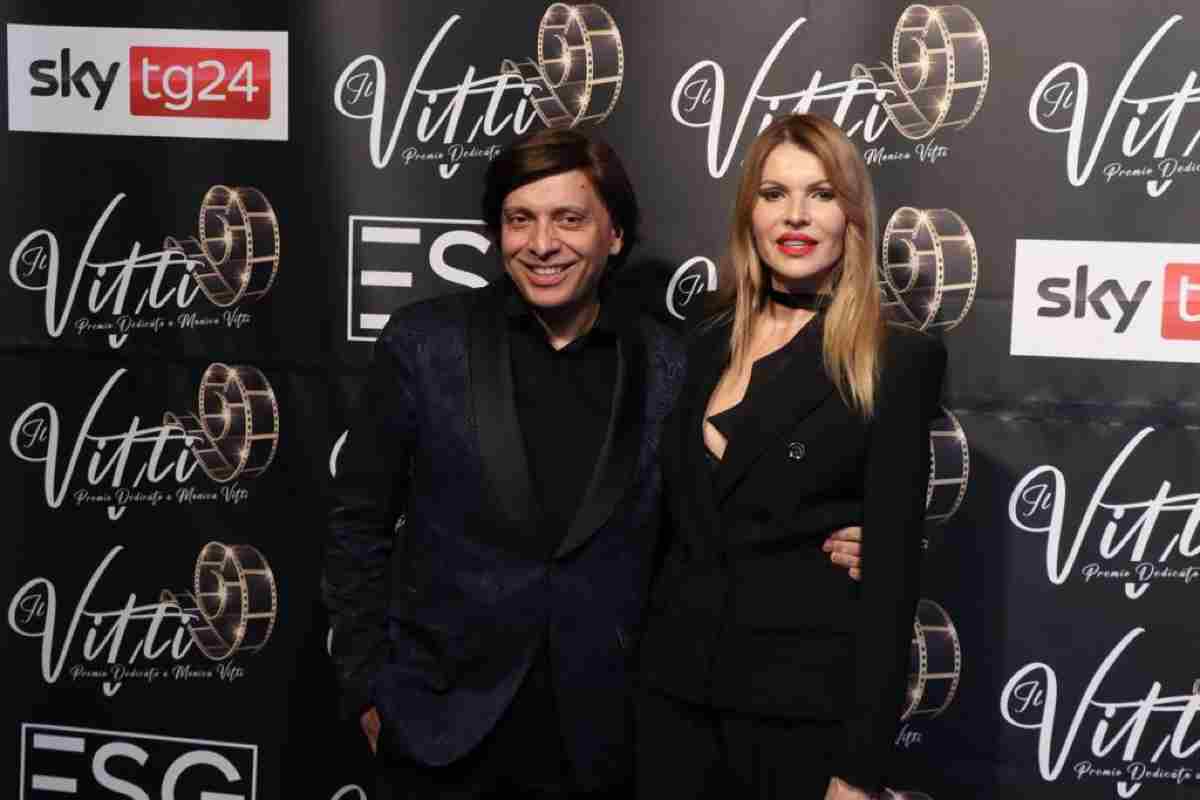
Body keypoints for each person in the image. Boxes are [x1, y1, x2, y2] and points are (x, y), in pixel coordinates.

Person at [322, 127, 865, 799]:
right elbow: (358, 525)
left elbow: (717, 520)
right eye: (520, 219)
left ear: (614, 235)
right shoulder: (425, 344)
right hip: (439, 726)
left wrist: (847, 541)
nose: (542, 243)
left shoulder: (673, 364)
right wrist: (367, 687)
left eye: (569, 219)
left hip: (607, 737)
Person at [636, 113, 947, 799]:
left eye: (821, 194)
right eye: (774, 193)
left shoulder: (895, 360)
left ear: (852, 215)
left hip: (801, 718)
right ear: (749, 212)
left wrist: (859, 769)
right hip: (670, 703)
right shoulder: (697, 342)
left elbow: (891, 587)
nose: (796, 215)